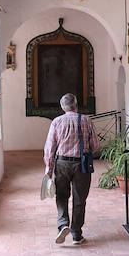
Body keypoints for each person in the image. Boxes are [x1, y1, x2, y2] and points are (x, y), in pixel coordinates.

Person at [43, 92, 97, 245]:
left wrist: (48, 170)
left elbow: (50, 148)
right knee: (80, 199)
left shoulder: (56, 122)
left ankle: (63, 224)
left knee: (61, 196)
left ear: (62, 107)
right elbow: (96, 146)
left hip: (62, 164)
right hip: (82, 165)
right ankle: (76, 235)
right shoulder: (86, 120)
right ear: (76, 105)